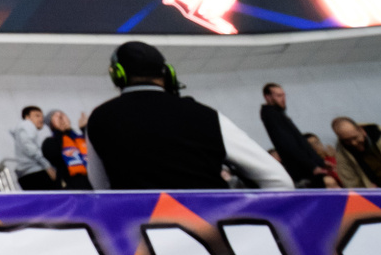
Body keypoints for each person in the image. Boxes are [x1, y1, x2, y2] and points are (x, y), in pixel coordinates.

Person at [84, 41, 292, 191]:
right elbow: (278, 180)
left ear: (117, 75)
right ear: (169, 74)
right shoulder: (206, 115)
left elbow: (101, 187)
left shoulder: (99, 119)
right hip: (215, 233)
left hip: (139, 234)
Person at [261, 83, 329, 188]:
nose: (283, 99)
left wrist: (320, 162)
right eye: (278, 96)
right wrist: (312, 166)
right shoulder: (271, 115)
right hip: (303, 171)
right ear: (268, 97)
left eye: (283, 95)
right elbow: (289, 144)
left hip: (307, 168)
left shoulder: (277, 114)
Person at [43, 110, 93, 191]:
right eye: (56, 116)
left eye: (62, 114)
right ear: (51, 124)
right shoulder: (50, 142)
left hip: (93, 181)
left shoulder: (81, 138)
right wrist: (60, 133)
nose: (61, 117)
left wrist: (85, 129)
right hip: (71, 185)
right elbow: (53, 157)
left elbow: (95, 148)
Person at [10, 106, 56, 190]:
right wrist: (47, 166)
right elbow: (29, 147)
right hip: (36, 173)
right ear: (27, 117)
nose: (41, 119)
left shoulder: (22, 129)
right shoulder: (27, 125)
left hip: (29, 174)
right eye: (37, 116)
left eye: (42, 116)